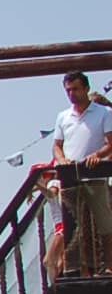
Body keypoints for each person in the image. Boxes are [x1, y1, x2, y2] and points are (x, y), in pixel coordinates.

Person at [48, 70, 112, 276]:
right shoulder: (63, 117)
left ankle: (109, 265)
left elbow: (111, 143)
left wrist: (97, 155)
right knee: (75, 227)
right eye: (68, 90)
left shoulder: (103, 113)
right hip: (71, 178)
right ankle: (76, 268)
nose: (72, 94)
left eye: (75, 89)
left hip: (95, 175)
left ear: (86, 88)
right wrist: (61, 160)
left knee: (103, 223)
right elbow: (56, 146)